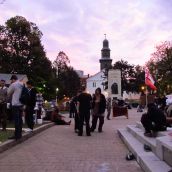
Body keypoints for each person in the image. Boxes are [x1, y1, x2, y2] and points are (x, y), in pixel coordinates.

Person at [7, 75, 23, 140]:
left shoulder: (14, 84)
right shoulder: (22, 84)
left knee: (16, 120)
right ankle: (19, 134)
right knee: (20, 120)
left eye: (11, 80)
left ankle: (16, 135)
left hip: (15, 104)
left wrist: (11, 85)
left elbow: (8, 93)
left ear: (13, 79)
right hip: (21, 104)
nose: (11, 81)